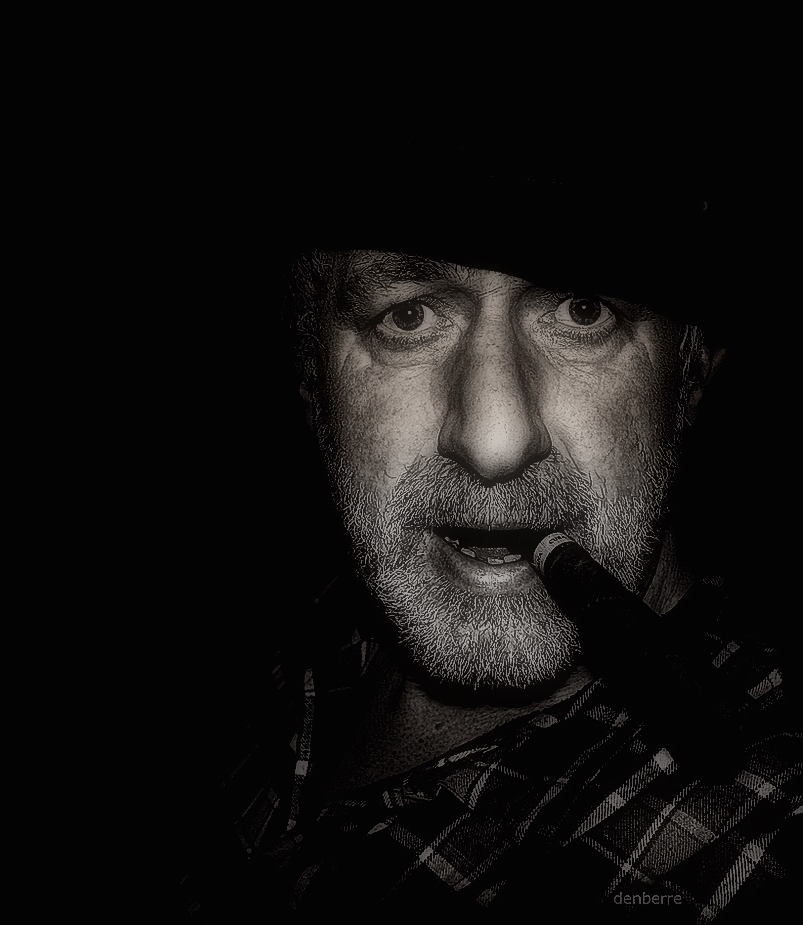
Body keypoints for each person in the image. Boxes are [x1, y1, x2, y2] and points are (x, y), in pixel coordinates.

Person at [172, 153, 798, 922]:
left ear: (692, 372)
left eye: (583, 311)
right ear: (311, 378)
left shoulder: (760, 840)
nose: (494, 443)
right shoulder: (268, 635)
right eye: (408, 316)